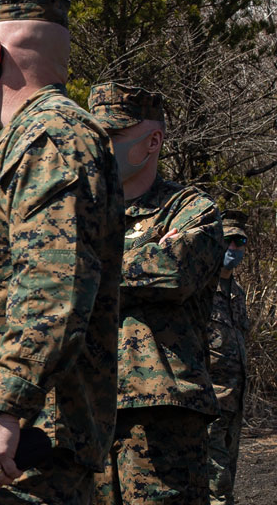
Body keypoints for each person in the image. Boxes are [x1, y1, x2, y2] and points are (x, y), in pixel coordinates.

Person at [0, 0, 124, 505]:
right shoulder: (31, 138)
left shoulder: (50, 137)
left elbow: (53, 285)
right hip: (5, 446)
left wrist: (3, 409)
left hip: (20, 450)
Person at [87, 82, 225, 505]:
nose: (101, 146)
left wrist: (86, 267)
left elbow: (174, 271)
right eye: (97, 136)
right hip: (84, 407)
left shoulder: (190, 208)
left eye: (114, 135)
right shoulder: (78, 210)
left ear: (153, 141)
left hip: (162, 411)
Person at [207, 210, 250, 505]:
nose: (233, 248)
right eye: (228, 241)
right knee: (218, 489)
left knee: (227, 482)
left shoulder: (237, 292)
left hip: (235, 403)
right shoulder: (199, 289)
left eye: (239, 242)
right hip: (209, 405)